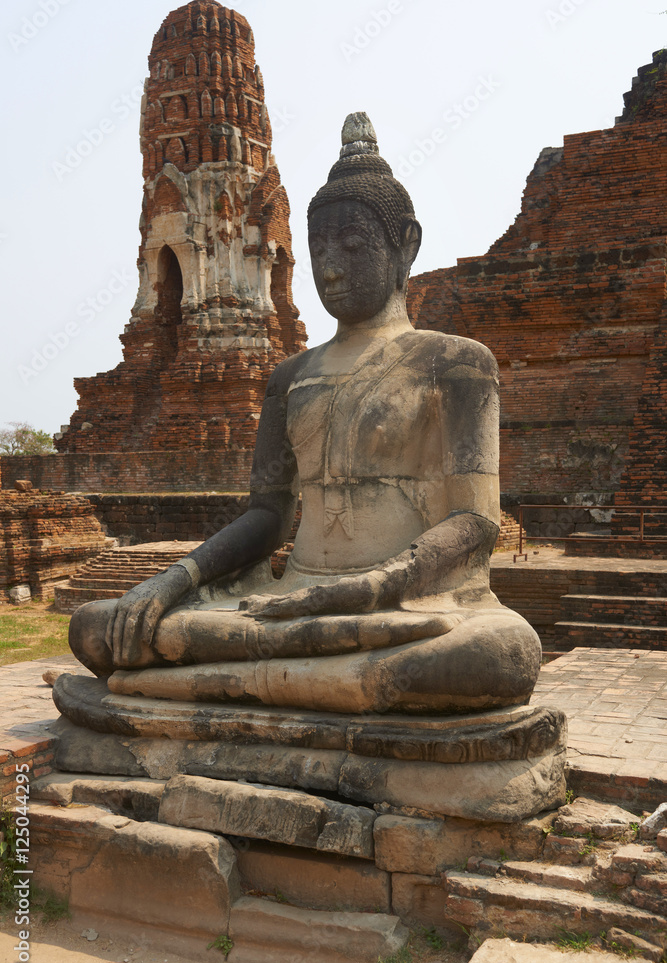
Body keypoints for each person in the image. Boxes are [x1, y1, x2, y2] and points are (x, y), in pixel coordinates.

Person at [69, 112, 541, 715]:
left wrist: (368, 588)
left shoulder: (454, 363)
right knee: (99, 627)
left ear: (407, 246)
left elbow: (477, 522)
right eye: (317, 247)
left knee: (497, 655)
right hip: (288, 603)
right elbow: (268, 516)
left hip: (400, 607)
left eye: (353, 244)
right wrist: (172, 581)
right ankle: (319, 686)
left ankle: (193, 691)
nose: (332, 265)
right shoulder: (290, 377)